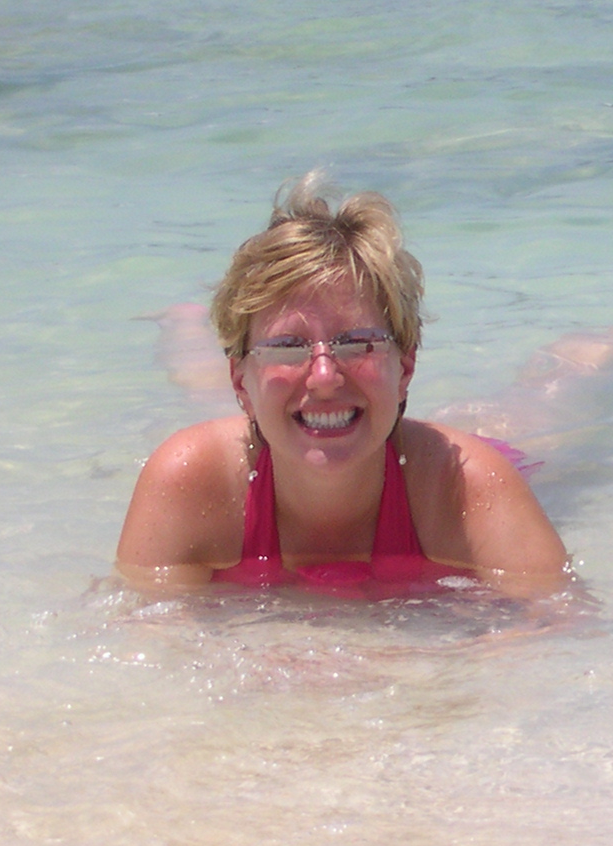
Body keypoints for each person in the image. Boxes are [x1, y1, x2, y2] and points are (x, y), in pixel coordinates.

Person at [118, 175, 573, 595]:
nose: (323, 376)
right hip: (273, 430)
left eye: (357, 343)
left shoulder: (468, 487)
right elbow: (147, 644)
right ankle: (182, 322)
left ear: (407, 366)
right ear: (239, 381)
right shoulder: (191, 482)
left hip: (441, 457)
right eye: (288, 346)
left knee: (549, 396)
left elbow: (559, 627)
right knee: (210, 391)